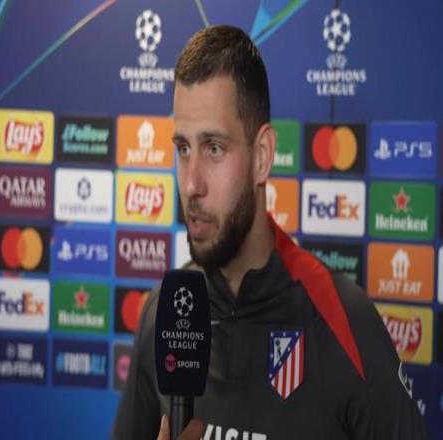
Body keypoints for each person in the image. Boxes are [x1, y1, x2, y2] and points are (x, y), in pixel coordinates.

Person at [111, 25, 429, 440]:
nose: (190, 184)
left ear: (262, 156)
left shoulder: (343, 321)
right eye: (183, 148)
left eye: (214, 148)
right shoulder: (164, 315)